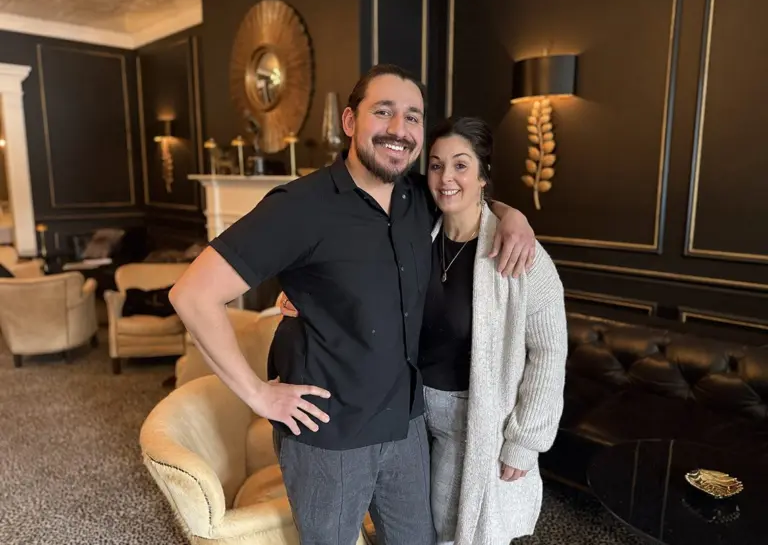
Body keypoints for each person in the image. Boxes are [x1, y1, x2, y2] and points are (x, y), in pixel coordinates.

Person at [168, 64, 537, 545]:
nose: (399, 130)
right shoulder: (300, 206)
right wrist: (258, 394)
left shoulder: (416, 198)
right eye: (383, 112)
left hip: (406, 425)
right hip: (330, 436)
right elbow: (192, 294)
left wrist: (514, 217)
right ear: (349, 121)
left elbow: (468, 195)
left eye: (412, 117)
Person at [283, 116, 567, 544]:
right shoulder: (416, 233)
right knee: (407, 529)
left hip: (467, 422)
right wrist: (306, 296)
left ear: (484, 176)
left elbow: (549, 351)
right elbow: (359, 277)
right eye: (435, 165)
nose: (446, 178)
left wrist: (526, 441)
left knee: (450, 529)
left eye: (460, 165)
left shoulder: (518, 255)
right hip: (407, 414)